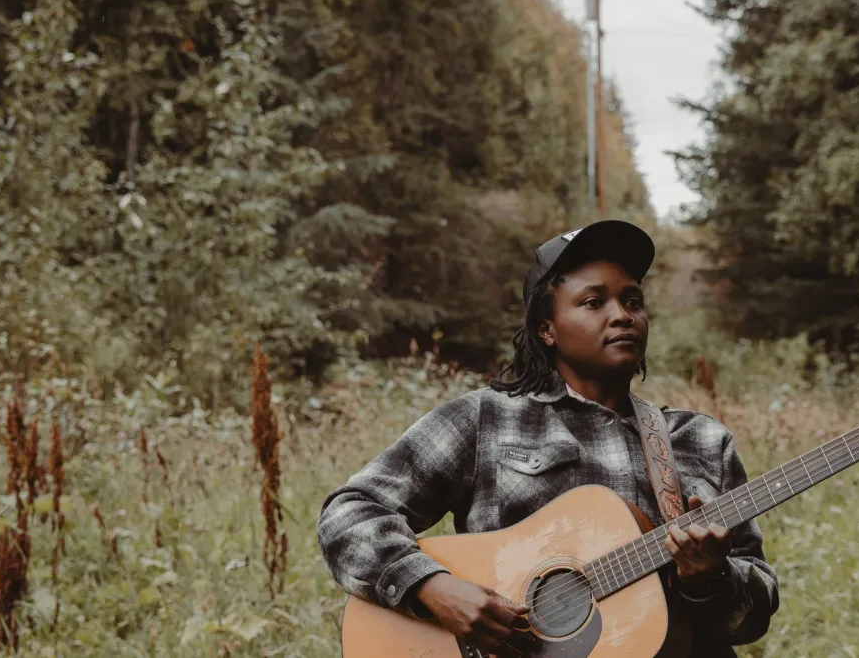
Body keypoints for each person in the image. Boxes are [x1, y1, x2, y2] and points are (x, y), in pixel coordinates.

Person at [317, 220, 778, 657]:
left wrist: (709, 579)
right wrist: (432, 588)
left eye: (633, 301)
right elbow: (350, 511)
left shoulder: (699, 440)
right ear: (547, 330)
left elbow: (753, 616)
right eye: (594, 302)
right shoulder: (486, 420)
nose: (622, 315)